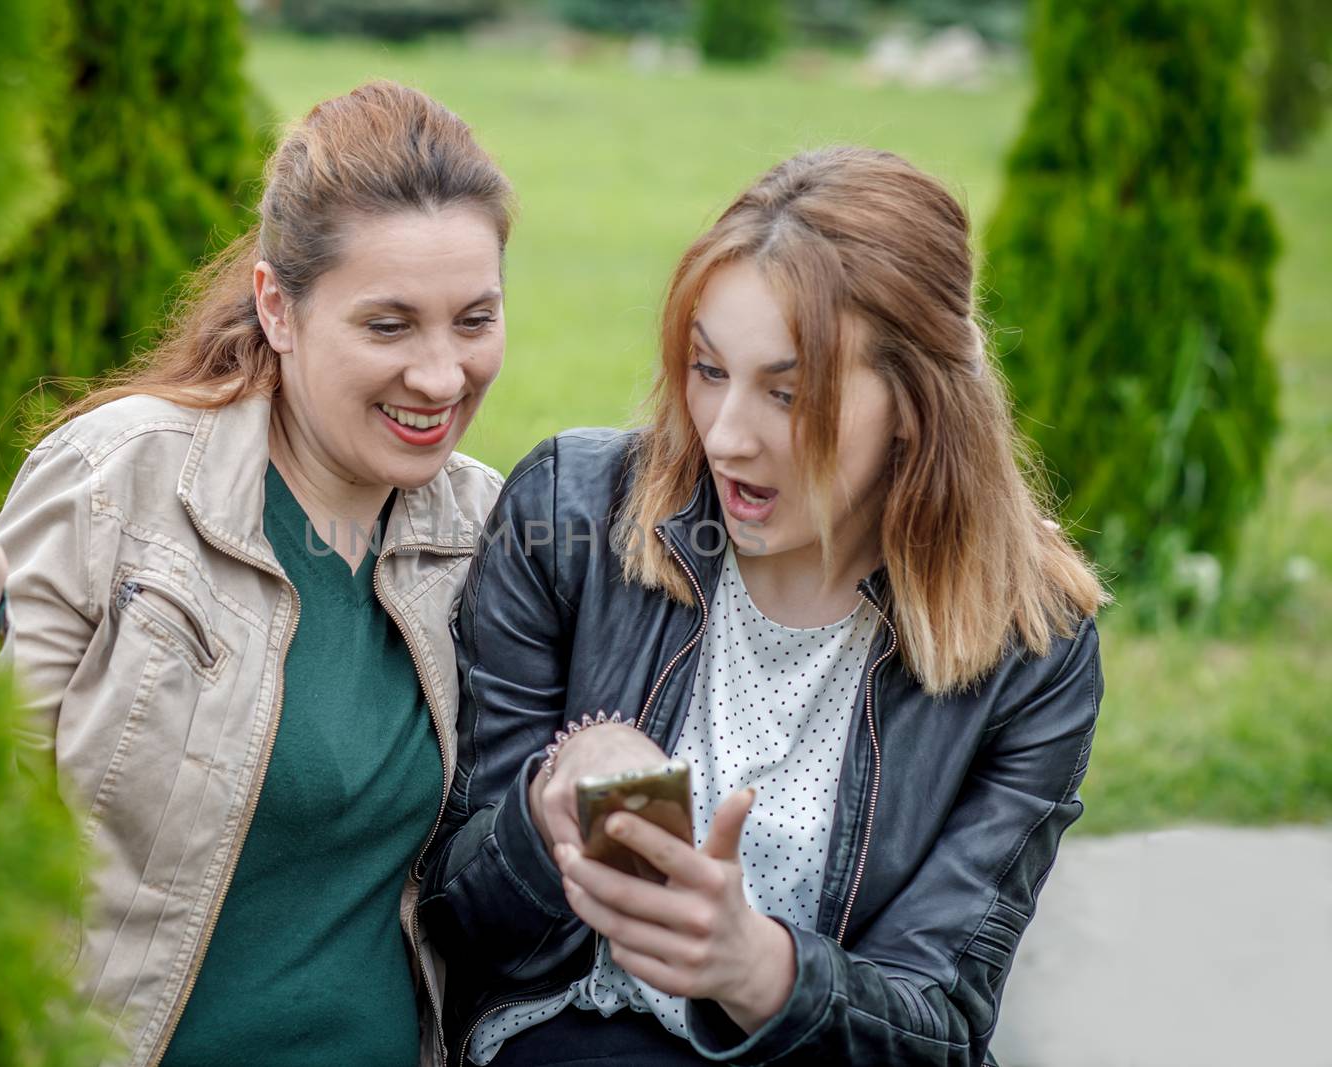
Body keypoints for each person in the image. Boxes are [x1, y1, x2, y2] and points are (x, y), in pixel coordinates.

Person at [0, 81, 513, 1067]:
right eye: (389, 325)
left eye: (474, 319)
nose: (443, 375)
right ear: (278, 306)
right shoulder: (122, 475)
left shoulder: (487, 527)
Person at [421, 146, 1107, 1067]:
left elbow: (937, 1026)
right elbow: (455, 925)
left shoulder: (1033, 649)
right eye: (708, 370)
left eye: (787, 392)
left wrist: (755, 967)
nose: (726, 435)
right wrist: (550, 810)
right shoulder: (568, 515)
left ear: (914, 403)